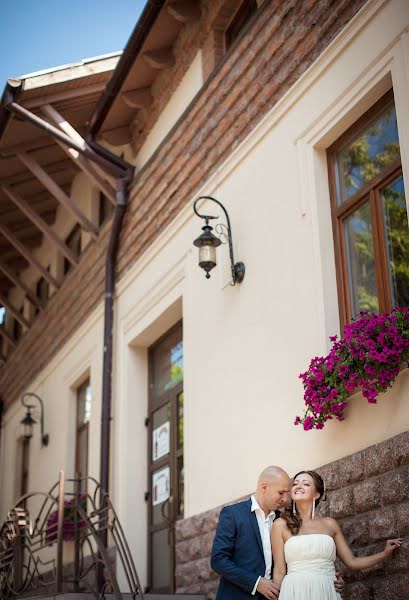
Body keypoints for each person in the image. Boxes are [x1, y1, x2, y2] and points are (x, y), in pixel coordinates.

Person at [211, 466, 344, 600]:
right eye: (281, 493)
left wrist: (329, 577)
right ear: (264, 487)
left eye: (287, 493)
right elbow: (218, 560)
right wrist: (256, 583)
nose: (285, 498)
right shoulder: (233, 514)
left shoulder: (284, 521)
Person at [271, 470, 402, 599]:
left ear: (316, 494)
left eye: (305, 484)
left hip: (326, 589)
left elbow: (352, 562)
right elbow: (279, 571)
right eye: (295, 483)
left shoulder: (330, 524)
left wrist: (384, 553)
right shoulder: (280, 525)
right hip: (294, 591)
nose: (298, 486)